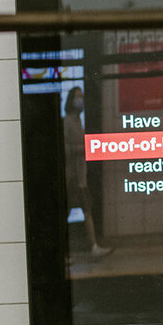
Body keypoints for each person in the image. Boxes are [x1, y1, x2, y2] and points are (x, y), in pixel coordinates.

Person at [63, 86, 112, 259]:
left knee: (86, 209)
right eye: (78, 97)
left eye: (82, 97)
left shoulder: (78, 121)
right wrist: (83, 147)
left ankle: (93, 246)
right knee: (80, 210)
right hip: (72, 176)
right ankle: (91, 247)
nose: (81, 100)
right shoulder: (67, 122)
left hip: (79, 176)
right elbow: (65, 148)